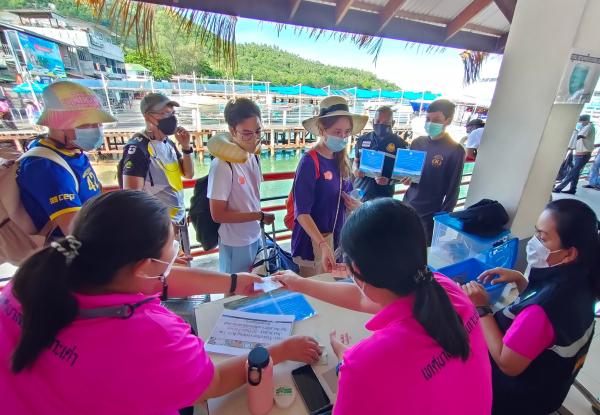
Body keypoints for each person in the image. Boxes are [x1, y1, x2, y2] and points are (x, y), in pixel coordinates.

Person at [0, 190, 321, 415]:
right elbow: (213, 383)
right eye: (171, 257)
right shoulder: (152, 334)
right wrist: (281, 351)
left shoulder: (33, 280)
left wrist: (233, 281)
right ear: (143, 267)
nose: (178, 261)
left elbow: (154, 281)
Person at [274, 198, 492, 414]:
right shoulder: (445, 287)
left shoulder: (364, 364)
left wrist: (346, 364)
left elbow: (365, 304)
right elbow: (363, 298)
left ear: (356, 270)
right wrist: (300, 284)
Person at [462, 198, 599, 415]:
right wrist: (519, 279)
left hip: (517, 399)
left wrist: (482, 309)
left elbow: (507, 364)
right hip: (551, 388)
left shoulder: (545, 307)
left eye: (542, 238)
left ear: (569, 253)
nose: (534, 242)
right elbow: (545, 324)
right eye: (536, 233)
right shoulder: (581, 281)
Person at [16, 80, 115, 237]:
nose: (96, 129)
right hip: (70, 252)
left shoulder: (71, 152)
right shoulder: (46, 167)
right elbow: (76, 233)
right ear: (58, 125)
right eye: (87, 123)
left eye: (98, 123)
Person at [291, 96, 367, 277]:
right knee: (313, 292)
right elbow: (301, 213)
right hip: (313, 244)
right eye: (337, 131)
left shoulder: (342, 159)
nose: (343, 137)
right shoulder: (310, 161)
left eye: (347, 132)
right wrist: (322, 245)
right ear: (322, 129)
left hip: (338, 239)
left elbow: (347, 193)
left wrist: (356, 205)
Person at [120, 93, 194, 256]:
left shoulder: (168, 143)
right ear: (148, 117)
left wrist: (186, 146)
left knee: (182, 269)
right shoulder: (137, 149)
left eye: (173, 114)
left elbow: (188, 173)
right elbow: (133, 197)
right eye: (165, 114)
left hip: (177, 222)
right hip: (158, 230)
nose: (171, 118)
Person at [207, 98, 275, 273]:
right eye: (246, 133)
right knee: (235, 294)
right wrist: (258, 216)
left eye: (258, 131)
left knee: (254, 287)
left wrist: (258, 218)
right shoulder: (222, 165)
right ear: (232, 130)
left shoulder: (253, 156)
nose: (254, 138)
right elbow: (218, 214)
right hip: (235, 241)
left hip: (255, 235)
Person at [403, 99, 466, 244]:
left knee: (421, 253)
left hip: (429, 214)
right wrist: (406, 178)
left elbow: (453, 190)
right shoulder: (417, 143)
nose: (430, 123)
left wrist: (442, 220)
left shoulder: (455, 150)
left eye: (436, 119)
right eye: (428, 119)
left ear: (448, 121)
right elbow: (408, 174)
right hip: (407, 205)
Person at [353, 106, 408, 201]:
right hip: (360, 192)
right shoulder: (362, 140)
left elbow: (404, 175)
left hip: (384, 197)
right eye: (378, 121)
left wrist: (389, 181)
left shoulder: (401, 145)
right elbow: (355, 161)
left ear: (393, 123)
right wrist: (355, 170)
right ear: (373, 121)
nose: (380, 125)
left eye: (386, 123)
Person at [553, 114, 596, 194]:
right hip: (579, 153)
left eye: (581, 121)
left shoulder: (588, 127)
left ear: (586, 120)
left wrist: (568, 142)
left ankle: (558, 188)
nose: (581, 123)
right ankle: (572, 189)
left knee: (572, 172)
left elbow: (579, 136)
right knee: (575, 173)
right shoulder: (585, 127)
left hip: (583, 154)